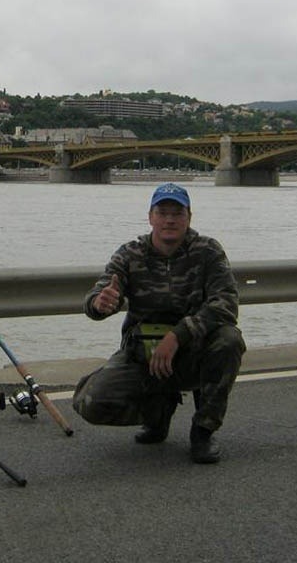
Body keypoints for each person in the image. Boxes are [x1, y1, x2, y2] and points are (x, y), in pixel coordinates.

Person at [72, 182, 245, 463]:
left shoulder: (208, 251)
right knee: (90, 403)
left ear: (189, 217)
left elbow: (226, 304)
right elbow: (99, 295)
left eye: (177, 213)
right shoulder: (130, 253)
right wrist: (100, 303)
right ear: (150, 217)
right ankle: (158, 411)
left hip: (192, 351)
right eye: (162, 212)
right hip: (143, 353)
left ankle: (203, 430)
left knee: (229, 340)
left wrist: (178, 336)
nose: (169, 220)